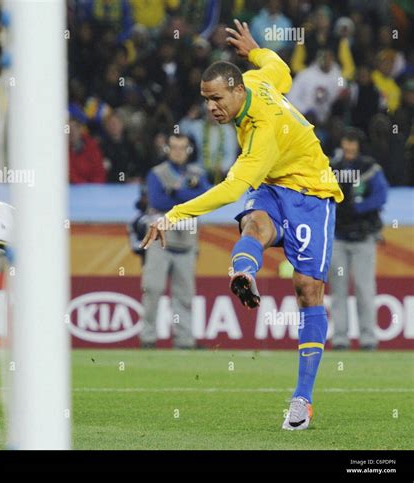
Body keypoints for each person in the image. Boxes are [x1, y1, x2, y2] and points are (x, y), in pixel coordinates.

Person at [140, 20, 343, 431]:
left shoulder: (262, 132)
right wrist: (255, 49)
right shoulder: (251, 79)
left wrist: (174, 214)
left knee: (308, 290)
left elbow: (231, 189)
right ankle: (245, 272)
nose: (212, 108)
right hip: (273, 185)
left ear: (235, 91)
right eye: (206, 100)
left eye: (217, 99)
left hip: (311, 192)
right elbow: (280, 69)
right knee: (253, 224)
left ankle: (302, 399)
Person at [140, 134, 211, 349]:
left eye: (182, 147)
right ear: (168, 149)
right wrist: (189, 195)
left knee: (185, 294)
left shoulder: (197, 173)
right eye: (174, 147)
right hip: (160, 239)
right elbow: (157, 200)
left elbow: (207, 197)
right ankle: (148, 338)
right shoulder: (157, 173)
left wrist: (175, 191)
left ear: (189, 150)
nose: (178, 151)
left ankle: (185, 340)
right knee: (152, 288)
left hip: (187, 242)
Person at [329, 128, 389, 351]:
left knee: (365, 289)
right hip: (337, 237)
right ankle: (340, 339)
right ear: (342, 143)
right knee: (338, 290)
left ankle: (368, 339)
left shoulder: (370, 167)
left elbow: (381, 196)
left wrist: (356, 208)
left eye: (353, 143)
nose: (350, 147)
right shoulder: (331, 167)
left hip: (363, 237)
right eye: (347, 143)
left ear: (359, 145)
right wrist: (337, 209)